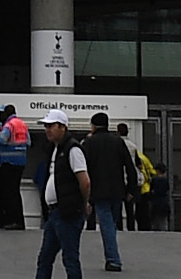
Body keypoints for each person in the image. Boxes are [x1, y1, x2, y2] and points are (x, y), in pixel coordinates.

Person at [32, 107, 90, 279]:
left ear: (63, 127)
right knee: (45, 257)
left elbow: (84, 181)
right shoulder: (55, 149)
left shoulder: (73, 150)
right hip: (55, 213)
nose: (47, 130)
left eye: (51, 126)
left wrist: (83, 203)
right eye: (46, 126)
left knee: (70, 258)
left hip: (68, 212)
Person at [87, 113, 135, 273]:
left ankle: (114, 260)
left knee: (106, 225)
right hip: (117, 191)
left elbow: (83, 169)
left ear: (93, 126)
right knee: (111, 224)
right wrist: (131, 190)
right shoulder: (118, 142)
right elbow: (130, 167)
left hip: (99, 191)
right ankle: (111, 256)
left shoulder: (89, 143)